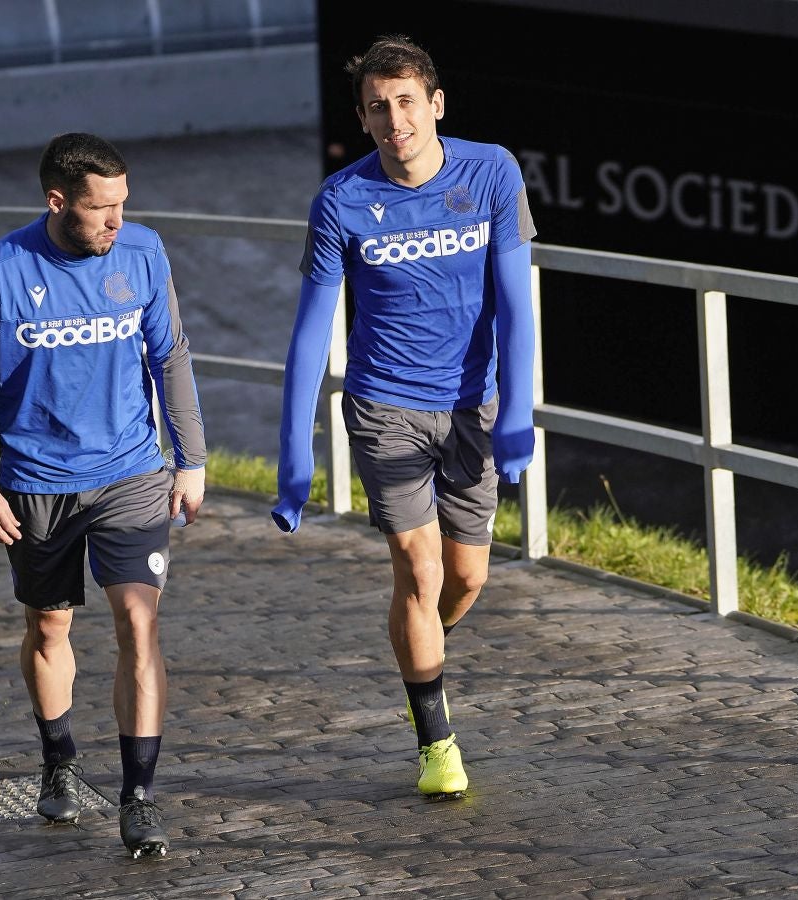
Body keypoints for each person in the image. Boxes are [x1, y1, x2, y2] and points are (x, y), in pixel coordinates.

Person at [272, 33, 536, 799]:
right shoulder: (342, 201)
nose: (396, 122)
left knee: (466, 577)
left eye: (407, 103)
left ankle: (421, 649)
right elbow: (309, 332)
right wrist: (296, 456)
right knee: (418, 574)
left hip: (472, 406)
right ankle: (437, 744)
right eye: (378, 109)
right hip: (385, 405)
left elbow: (517, 307)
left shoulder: (491, 171)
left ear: (435, 104)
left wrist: (516, 413)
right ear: (363, 118)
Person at [0, 132, 207, 859]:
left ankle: (138, 795)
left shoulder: (143, 252)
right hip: (36, 485)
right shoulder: (3, 268)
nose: (118, 221)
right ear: (58, 202)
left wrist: (192, 458)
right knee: (50, 628)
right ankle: (58, 757)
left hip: (131, 475)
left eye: (124, 203)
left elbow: (170, 355)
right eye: (101, 209)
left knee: (138, 626)